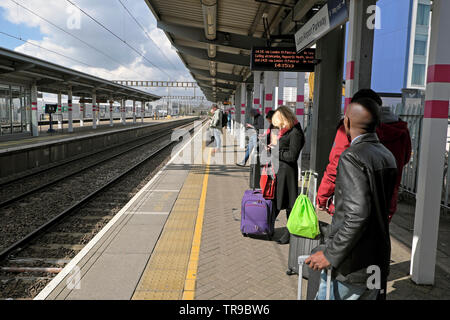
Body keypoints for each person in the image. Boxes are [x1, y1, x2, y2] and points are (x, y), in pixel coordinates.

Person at [306, 98, 397, 300]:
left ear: (346, 122)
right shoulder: (387, 155)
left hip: (351, 265)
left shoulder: (352, 157)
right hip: (377, 257)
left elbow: (357, 214)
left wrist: (330, 255)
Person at [316, 89, 411, 221]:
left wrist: (323, 196)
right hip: (385, 199)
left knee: (343, 237)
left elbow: (335, 165)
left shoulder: (351, 128)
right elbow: (405, 159)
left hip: (350, 202)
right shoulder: (401, 131)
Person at [269, 106, 305, 244]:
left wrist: (276, 151)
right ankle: (267, 226)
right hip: (281, 171)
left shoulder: (296, 133)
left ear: (284, 119)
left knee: (290, 204)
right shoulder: (287, 131)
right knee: (278, 201)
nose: (278, 126)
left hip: (288, 173)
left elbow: (292, 156)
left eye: (279, 123)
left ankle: (289, 234)